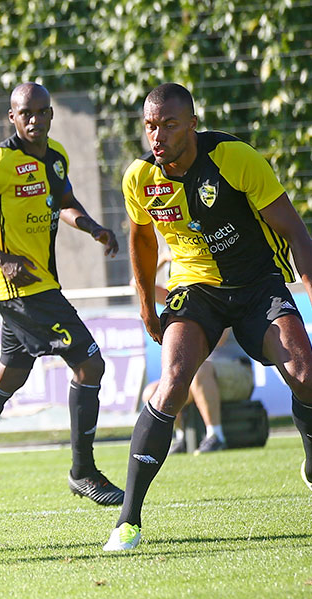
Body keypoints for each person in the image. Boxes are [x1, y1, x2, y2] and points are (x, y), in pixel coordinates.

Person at [105, 82, 312, 551]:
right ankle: (128, 521)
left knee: (305, 376)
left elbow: (296, 232)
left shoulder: (234, 158)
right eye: (150, 126)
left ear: (193, 125)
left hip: (257, 285)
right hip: (195, 289)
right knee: (173, 382)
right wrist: (146, 305)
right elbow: (142, 240)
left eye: (169, 124)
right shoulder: (140, 178)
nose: (157, 136)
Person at [0, 82, 124, 511]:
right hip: (21, 290)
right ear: (12, 117)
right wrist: (0, 257)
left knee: (9, 375)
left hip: (41, 284)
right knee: (90, 363)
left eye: (42, 112)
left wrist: (92, 227)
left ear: (50, 115)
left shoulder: (56, 157)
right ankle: (83, 473)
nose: (35, 120)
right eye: (26, 113)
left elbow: (64, 200)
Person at [143, 328, 254, 455]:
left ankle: (216, 436)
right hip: (201, 376)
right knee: (152, 392)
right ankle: (183, 437)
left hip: (239, 371)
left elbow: (218, 338)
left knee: (201, 370)